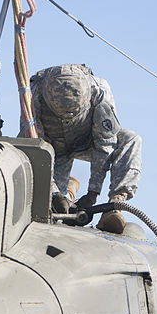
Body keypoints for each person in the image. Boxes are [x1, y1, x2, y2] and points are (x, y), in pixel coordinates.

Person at [21, 64, 141, 234]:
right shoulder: (32, 94)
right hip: (53, 148)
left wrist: (93, 194)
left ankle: (115, 206)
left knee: (130, 139)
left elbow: (105, 143)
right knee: (57, 213)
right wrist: (55, 194)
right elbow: (33, 148)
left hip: (88, 141)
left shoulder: (100, 91)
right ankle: (69, 192)